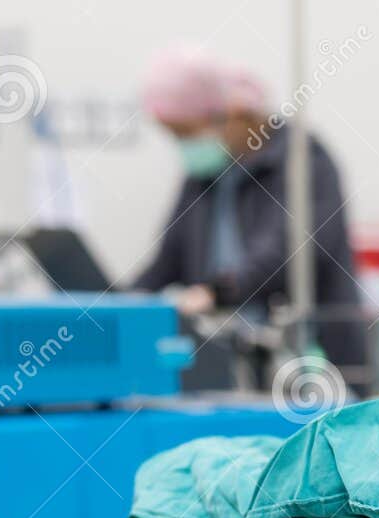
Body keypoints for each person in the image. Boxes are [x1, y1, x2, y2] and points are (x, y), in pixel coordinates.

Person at [133, 46, 365, 366]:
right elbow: (168, 259)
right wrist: (123, 303)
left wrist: (215, 293)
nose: (184, 145)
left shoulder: (303, 160)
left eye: (186, 132)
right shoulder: (204, 176)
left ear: (228, 114)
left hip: (308, 356)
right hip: (224, 356)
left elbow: (287, 251)